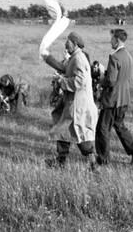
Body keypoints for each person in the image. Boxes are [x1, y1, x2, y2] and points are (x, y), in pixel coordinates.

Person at [41, 32, 98, 166]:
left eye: (68, 42)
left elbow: (80, 81)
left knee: (78, 134)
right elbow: (65, 68)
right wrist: (47, 57)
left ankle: (91, 162)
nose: (66, 46)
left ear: (75, 43)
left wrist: (62, 81)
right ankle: (61, 161)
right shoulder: (76, 57)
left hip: (78, 105)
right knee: (65, 131)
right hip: (74, 103)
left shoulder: (79, 58)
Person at [95, 28, 133, 165]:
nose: (110, 41)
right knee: (119, 126)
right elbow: (120, 76)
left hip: (112, 99)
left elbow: (111, 81)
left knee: (102, 129)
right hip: (124, 98)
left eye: (112, 39)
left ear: (117, 40)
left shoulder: (114, 57)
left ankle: (103, 160)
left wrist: (101, 78)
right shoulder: (127, 55)